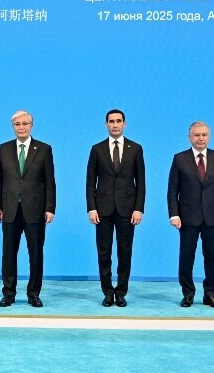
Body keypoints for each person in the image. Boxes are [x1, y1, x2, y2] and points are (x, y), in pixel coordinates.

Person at [167, 121, 214, 309]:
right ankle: (188, 294)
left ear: (209, 137)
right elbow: (173, 190)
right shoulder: (180, 158)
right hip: (187, 217)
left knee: (212, 257)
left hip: (213, 216)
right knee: (186, 257)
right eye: (196, 135)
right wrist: (174, 215)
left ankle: (210, 295)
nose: (200, 138)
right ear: (189, 137)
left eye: (204, 135)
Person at [0, 111, 56, 308]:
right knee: (8, 254)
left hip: (35, 210)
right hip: (10, 209)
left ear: (31, 125)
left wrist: (50, 208)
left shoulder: (44, 149)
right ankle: (8, 293)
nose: (21, 127)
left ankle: (33, 293)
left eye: (25, 124)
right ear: (13, 127)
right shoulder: (3, 149)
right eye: (17, 124)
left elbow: (50, 181)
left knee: (36, 254)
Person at [86, 109, 145, 307]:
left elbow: (141, 182)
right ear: (106, 125)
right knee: (104, 253)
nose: (115, 125)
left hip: (127, 210)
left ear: (124, 124)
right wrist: (91, 208)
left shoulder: (135, 148)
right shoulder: (97, 149)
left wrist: (138, 208)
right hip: (102, 210)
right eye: (111, 121)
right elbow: (90, 182)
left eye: (119, 121)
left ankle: (121, 292)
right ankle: (108, 292)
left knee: (124, 252)